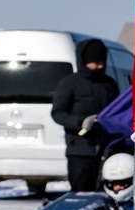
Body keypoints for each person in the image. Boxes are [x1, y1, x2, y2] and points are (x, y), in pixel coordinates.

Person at [52, 39, 121, 192]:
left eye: (102, 61)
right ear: (85, 61)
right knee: (81, 191)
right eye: (95, 62)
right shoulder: (69, 83)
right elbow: (58, 113)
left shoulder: (109, 84)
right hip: (80, 150)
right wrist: (81, 122)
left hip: (107, 149)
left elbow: (118, 110)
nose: (100, 66)